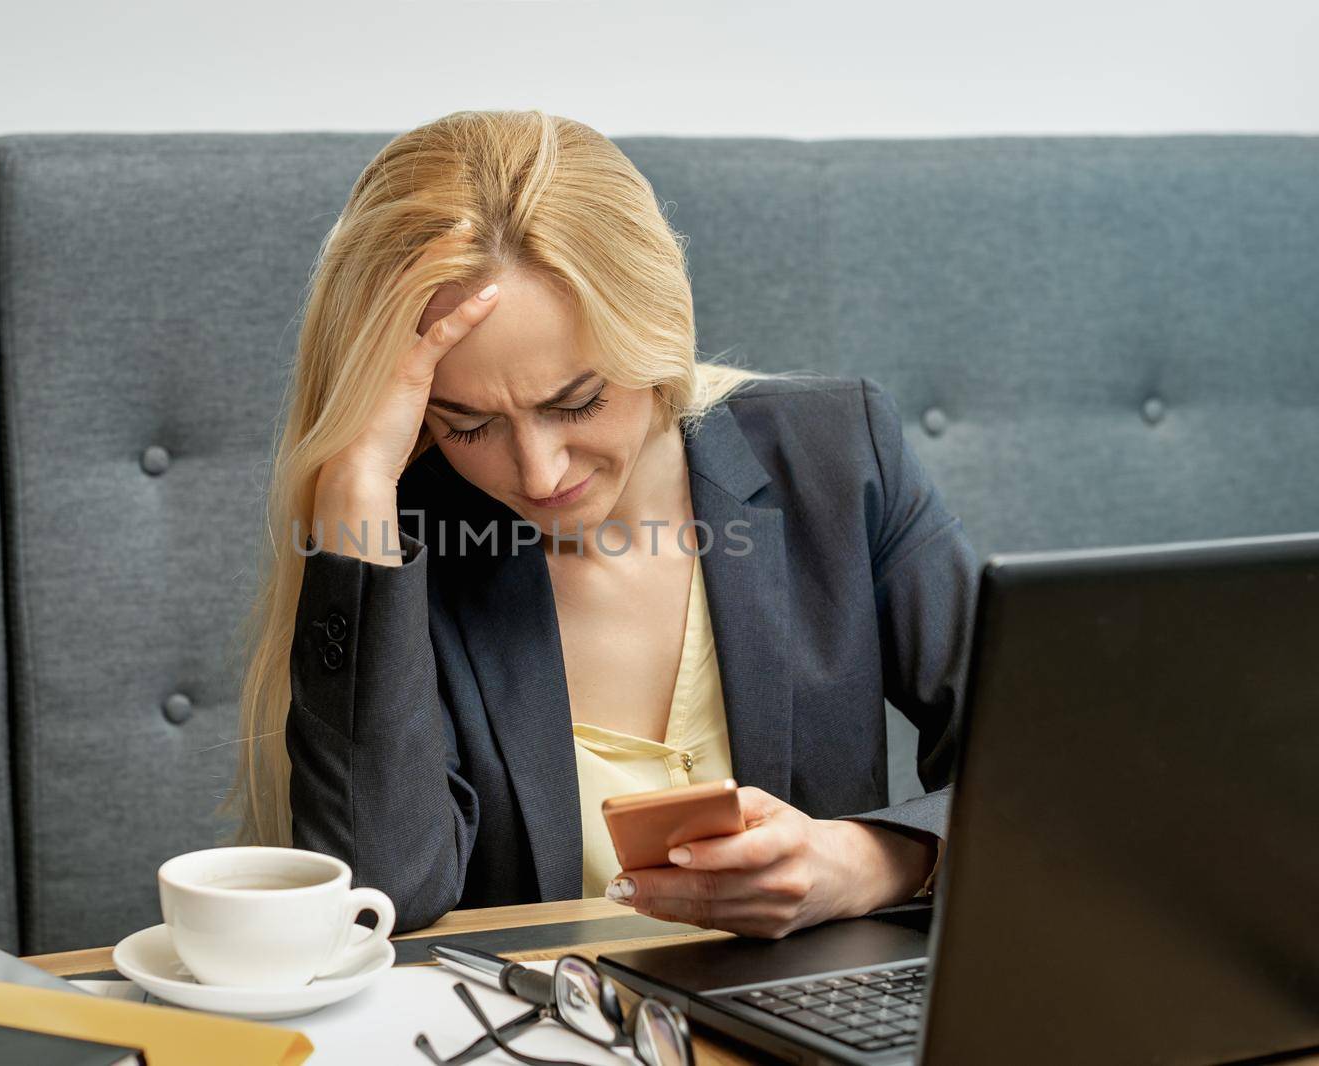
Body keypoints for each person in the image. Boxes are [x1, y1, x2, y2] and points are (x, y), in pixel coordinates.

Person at [223, 109, 979, 937]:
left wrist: (872, 863)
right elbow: (385, 895)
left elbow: (1061, 772)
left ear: (658, 329)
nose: (540, 473)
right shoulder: (408, 536)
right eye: (466, 424)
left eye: (578, 401)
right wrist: (357, 489)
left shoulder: (838, 457)